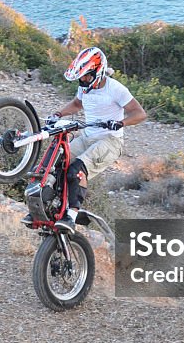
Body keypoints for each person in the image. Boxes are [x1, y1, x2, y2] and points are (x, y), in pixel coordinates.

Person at [47, 46, 147, 232]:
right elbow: (77, 104)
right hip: (87, 136)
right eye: (81, 76)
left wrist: (121, 123)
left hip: (109, 141)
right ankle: (53, 207)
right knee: (57, 163)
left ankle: (71, 216)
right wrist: (59, 113)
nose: (83, 80)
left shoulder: (115, 89)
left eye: (87, 75)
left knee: (76, 170)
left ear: (98, 72)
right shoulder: (85, 87)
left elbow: (140, 114)